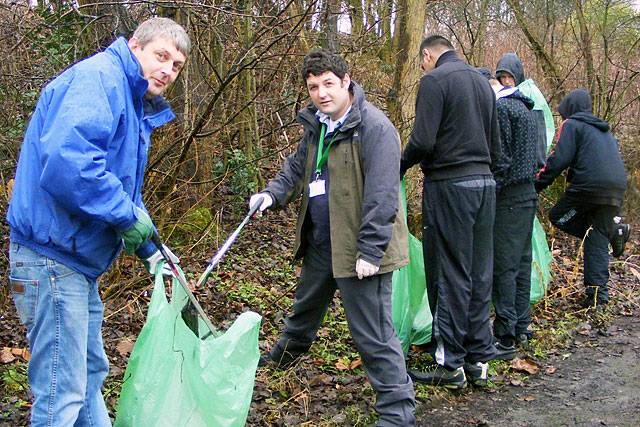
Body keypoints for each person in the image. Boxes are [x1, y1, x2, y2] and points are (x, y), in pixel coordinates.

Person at [6, 18, 189, 426]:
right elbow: (70, 165)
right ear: (136, 44)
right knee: (61, 396)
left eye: (176, 65)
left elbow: (119, 187)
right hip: (51, 259)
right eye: (161, 56)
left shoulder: (130, 97)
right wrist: (126, 218)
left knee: (88, 380)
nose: (167, 70)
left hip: (75, 265)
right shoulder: (99, 80)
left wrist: (151, 247)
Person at [249, 49, 415, 426]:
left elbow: (383, 194)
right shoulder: (318, 125)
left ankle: (398, 411)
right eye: (313, 87)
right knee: (304, 311)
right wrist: (272, 194)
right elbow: (295, 168)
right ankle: (281, 363)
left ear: (346, 81)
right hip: (323, 242)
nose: (321, 93)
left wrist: (371, 251)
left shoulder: (375, 128)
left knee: (373, 334)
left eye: (328, 84)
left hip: (361, 250)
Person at [400, 35, 502, 389]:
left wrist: (398, 165)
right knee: (478, 271)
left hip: (450, 187)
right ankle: (478, 360)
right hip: (486, 186)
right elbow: (496, 145)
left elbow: (423, 140)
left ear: (428, 55)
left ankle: (449, 364)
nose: (423, 67)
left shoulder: (434, 81)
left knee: (448, 272)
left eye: (421, 61)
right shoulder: (481, 82)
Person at [535, 89, 629, 308]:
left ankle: (613, 232)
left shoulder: (572, 125)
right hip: (615, 187)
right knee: (596, 235)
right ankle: (598, 297)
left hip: (590, 187)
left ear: (570, 110)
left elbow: (559, 160)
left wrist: (536, 185)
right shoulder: (603, 129)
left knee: (558, 216)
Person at [484, 72, 539, 360]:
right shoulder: (528, 108)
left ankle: (505, 336)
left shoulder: (503, 109)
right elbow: (539, 158)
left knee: (504, 267)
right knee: (521, 264)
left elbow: (501, 159)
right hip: (529, 196)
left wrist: (489, 188)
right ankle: (522, 326)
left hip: (509, 199)